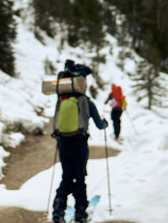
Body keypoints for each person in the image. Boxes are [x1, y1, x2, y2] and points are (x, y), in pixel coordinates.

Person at [52, 62, 108, 223]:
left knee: (67, 177)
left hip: (63, 143)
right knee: (80, 178)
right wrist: (106, 123)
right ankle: (80, 213)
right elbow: (99, 125)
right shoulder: (87, 103)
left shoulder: (62, 99)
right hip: (80, 144)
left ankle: (58, 210)